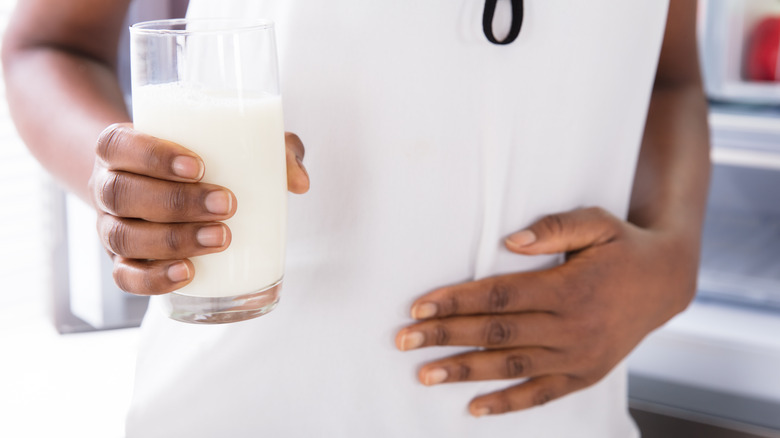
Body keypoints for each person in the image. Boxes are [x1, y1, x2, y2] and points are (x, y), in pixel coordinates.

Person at [2, 0, 710, 436]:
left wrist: (675, 259)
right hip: (249, 410)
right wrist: (122, 178)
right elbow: (48, 45)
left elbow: (671, 75)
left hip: (558, 419)